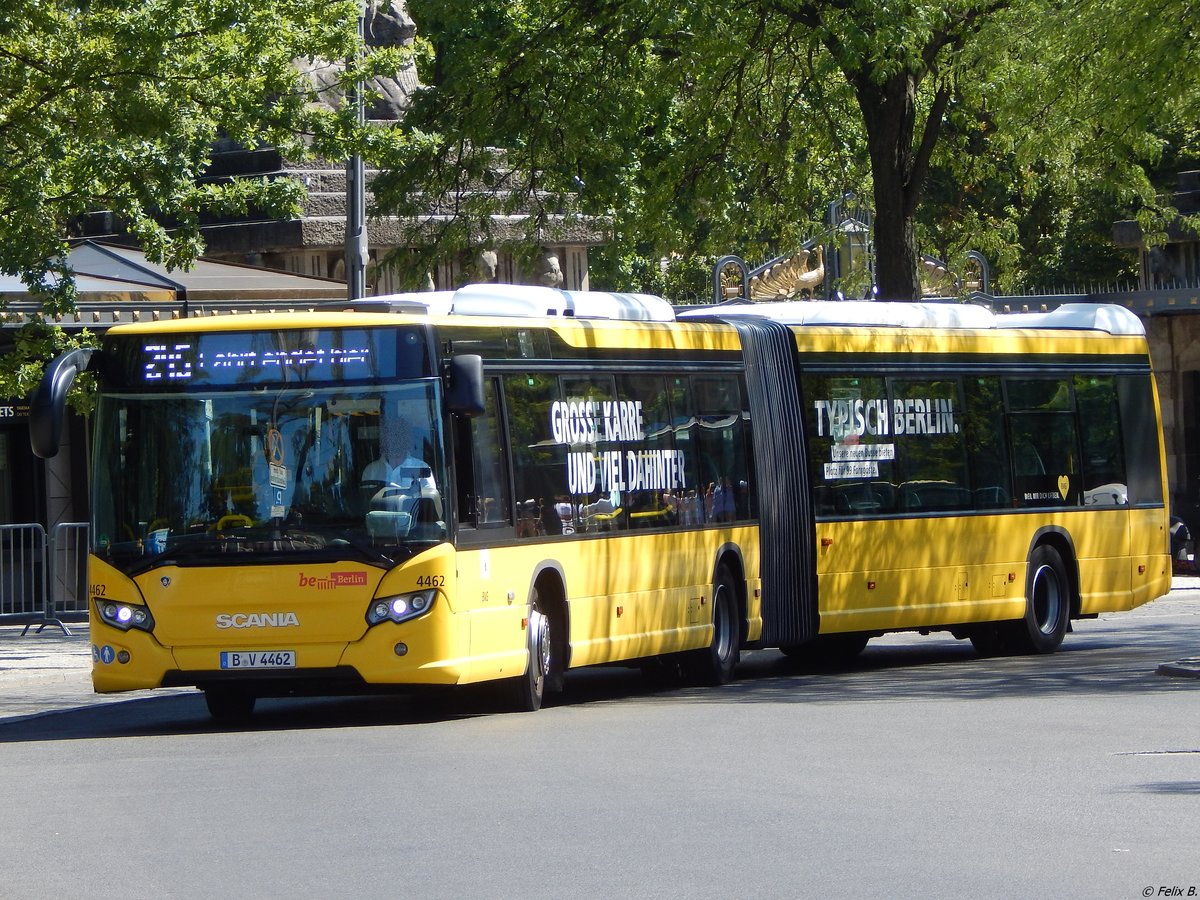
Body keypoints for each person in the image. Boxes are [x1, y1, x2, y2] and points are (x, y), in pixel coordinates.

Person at [362, 411, 436, 491]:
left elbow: (430, 500)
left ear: (406, 439)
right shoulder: (371, 470)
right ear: (384, 439)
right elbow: (365, 499)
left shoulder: (421, 467)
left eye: (398, 435)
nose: (395, 440)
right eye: (391, 435)